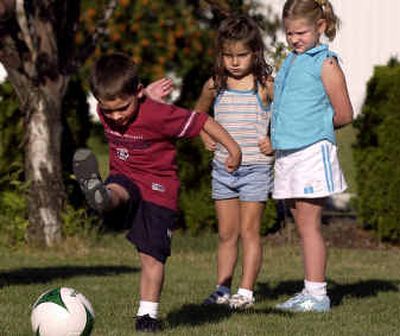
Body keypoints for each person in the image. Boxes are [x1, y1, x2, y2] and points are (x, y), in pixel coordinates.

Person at [72, 52, 241, 332]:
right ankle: (101, 196)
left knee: (152, 256)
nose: (115, 117)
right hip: (124, 177)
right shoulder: (109, 109)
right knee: (119, 189)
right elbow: (121, 105)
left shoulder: (159, 114)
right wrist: (141, 98)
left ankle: (146, 315)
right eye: (108, 110)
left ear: (137, 94)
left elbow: (201, 120)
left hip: (158, 190)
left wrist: (232, 147)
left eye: (122, 108)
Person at [271, 0, 353, 312]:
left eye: (301, 32)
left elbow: (344, 113)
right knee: (300, 222)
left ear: (319, 27)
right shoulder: (291, 61)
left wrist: (313, 127)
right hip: (288, 153)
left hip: (311, 153)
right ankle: (310, 290)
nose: (294, 39)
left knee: (308, 223)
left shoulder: (326, 63)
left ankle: (318, 296)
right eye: (289, 33)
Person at [195, 14, 274, 310]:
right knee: (227, 233)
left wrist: (274, 141)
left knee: (249, 231)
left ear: (255, 53)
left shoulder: (265, 85)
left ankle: (246, 292)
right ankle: (222, 290)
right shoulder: (215, 85)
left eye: (241, 55)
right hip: (223, 169)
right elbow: (198, 116)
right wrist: (204, 135)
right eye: (228, 55)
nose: (235, 62)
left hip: (256, 168)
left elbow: (284, 119)